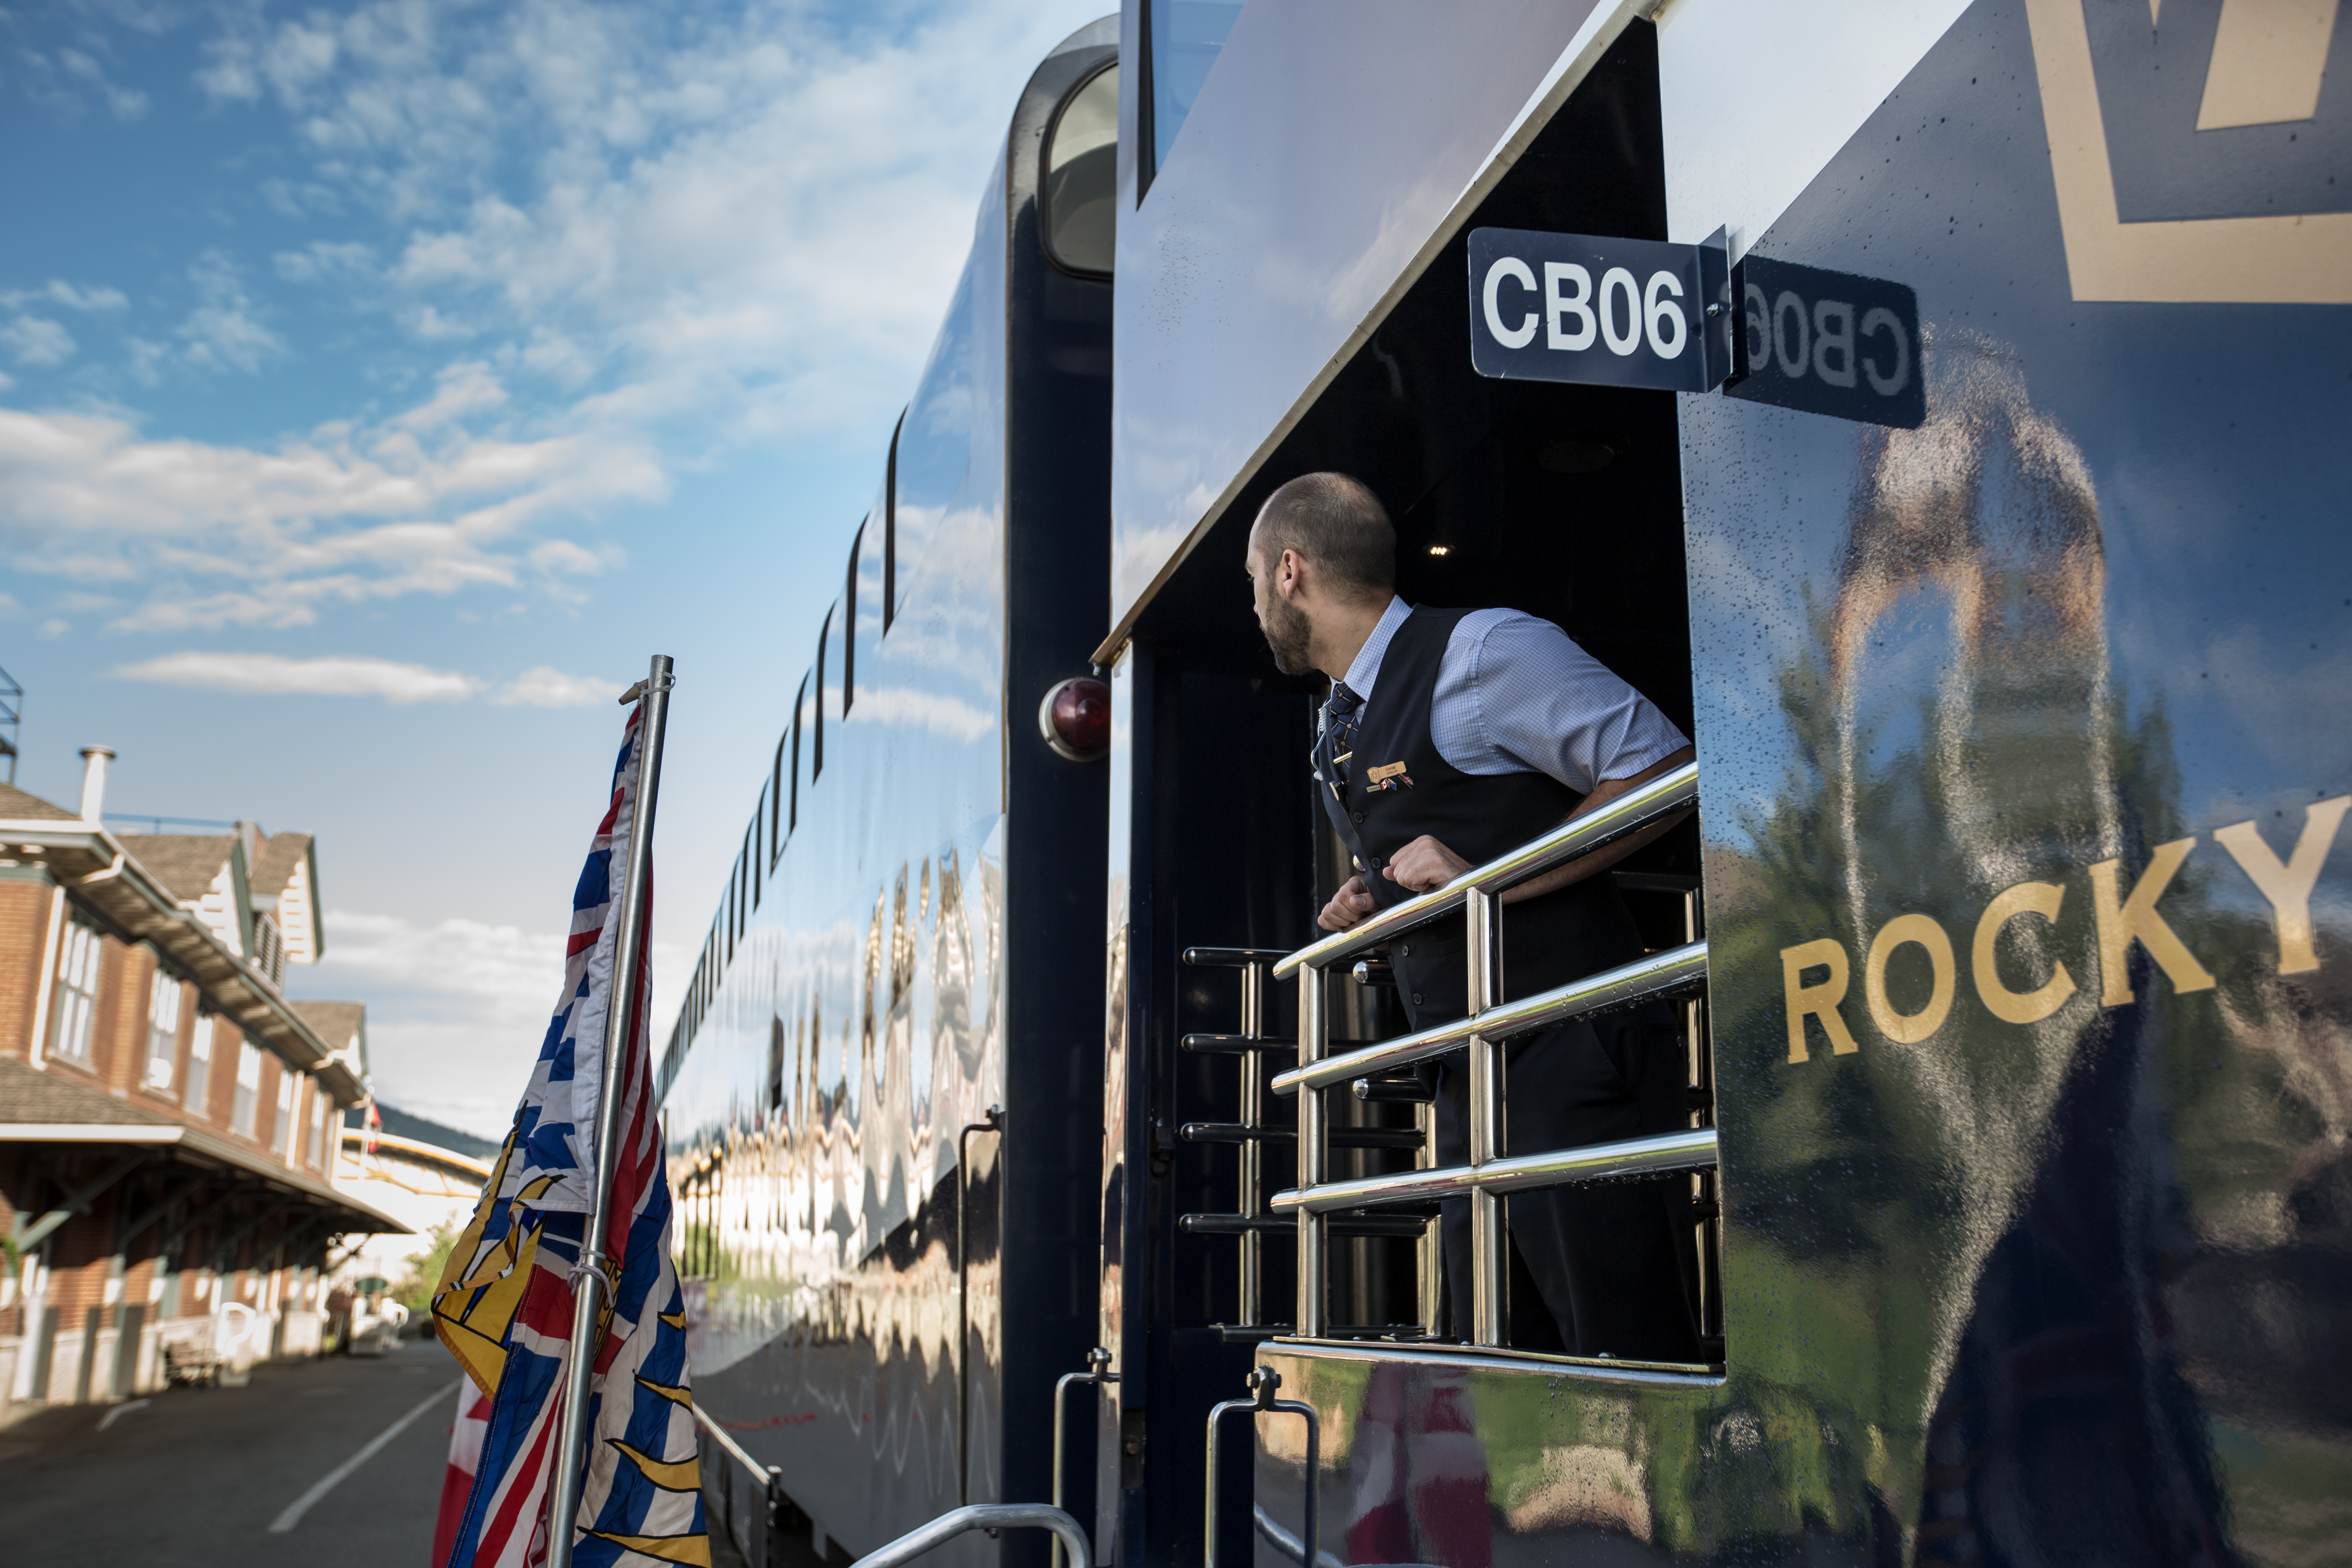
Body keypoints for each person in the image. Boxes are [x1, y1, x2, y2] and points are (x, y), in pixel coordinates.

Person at [1244, 470, 1700, 1360]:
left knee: (1622, 1358)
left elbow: (1659, 771)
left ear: (1291, 571)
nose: (1255, 603)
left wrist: (1487, 879)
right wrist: (1384, 897)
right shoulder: (1340, 725)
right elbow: (1454, 848)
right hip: (1472, 1079)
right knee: (1502, 1365)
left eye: (1254, 579)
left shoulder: (1483, 651)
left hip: (1572, 1059)